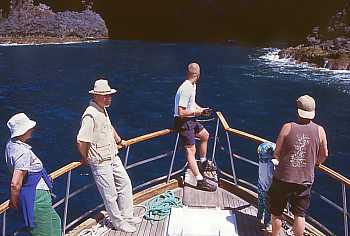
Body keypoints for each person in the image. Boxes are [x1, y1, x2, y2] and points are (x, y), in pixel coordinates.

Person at [77, 78, 141, 233]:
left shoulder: (102, 109)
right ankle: (118, 222)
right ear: (96, 96)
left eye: (109, 95)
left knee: (125, 183)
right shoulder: (90, 114)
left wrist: (120, 140)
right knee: (110, 194)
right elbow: (81, 140)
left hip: (112, 155)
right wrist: (86, 158)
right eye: (105, 95)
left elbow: (108, 127)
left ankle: (127, 215)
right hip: (100, 161)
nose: (108, 98)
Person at [267, 95, 328, 236]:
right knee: (299, 215)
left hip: (284, 178)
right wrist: (315, 162)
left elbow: (277, 153)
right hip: (305, 180)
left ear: (297, 110)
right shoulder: (320, 130)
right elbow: (324, 154)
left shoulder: (288, 127)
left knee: (276, 212)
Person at [5, 113, 61, 235]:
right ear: (21, 131)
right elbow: (15, 183)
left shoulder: (11, 144)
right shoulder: (22, 153)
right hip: (37, 198)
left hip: (39, 196)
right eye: (28, 128)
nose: (32, 130)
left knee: (56, 223)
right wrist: (14, 203)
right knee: (43, 232)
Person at [173, 62, 217, 192]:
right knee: (191, 151)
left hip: (190, 120)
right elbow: (181, 112)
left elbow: (191, 103)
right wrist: (195, 113)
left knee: (205, 135)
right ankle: (199, 180)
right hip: (183, 122)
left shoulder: (193, 85)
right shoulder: (186, 88)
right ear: (198, 74)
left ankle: (203, 162)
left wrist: (202, 110)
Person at [257, 142, 278, 231]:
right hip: (267, 190)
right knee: (268, 208)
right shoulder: (271, 166)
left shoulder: (261, 162)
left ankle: (259, 217)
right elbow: (272, 176)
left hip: (260, 186)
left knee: (260, 203)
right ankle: (267, 223)